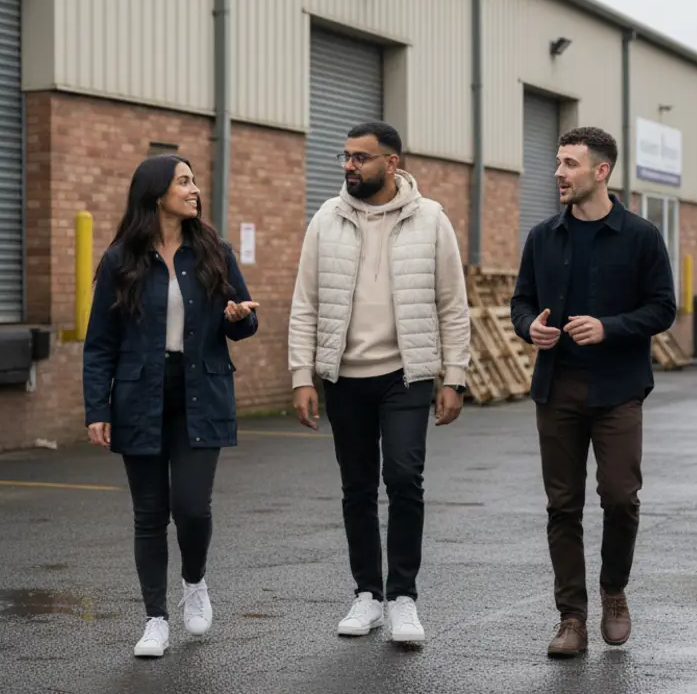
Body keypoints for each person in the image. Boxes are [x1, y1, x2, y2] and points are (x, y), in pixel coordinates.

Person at [288, 120, 471, 644]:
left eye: (361, 158)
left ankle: (404, 598)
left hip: (406, 373)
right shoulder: (326, 218)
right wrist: (303, 375)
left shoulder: (430, 219)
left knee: (404, 477)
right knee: (357, 486)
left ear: (392, 164)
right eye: (346, 156)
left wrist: (453, 376)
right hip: (343, 376)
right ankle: (367, 594)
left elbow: (451, 304)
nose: (349, 165)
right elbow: (306, 304)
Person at [82, 154, 260, 659]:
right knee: (149, 514)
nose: (194, 189)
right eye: (183, 182)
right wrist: (97, 408)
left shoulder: (214, 251)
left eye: (194, 181)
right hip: (140, 395)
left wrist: (237, 316)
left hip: (200, 392)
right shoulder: (122, 259)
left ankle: (195, 582)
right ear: (156, 193)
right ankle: (155, 619)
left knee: (192, 508)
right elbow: (99, 344)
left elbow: (244, 322)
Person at [509, 127, 677, 657]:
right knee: (563, 505)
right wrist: (528, 328)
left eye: (569, 164)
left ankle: (614, 592)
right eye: (558, 162)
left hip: (618, 388)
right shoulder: (543, 236)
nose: (558, 173)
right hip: (557, 387)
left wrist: (610, 327)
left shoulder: (640, 236)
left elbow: (662, 308)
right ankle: (571, 618)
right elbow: (521, 301)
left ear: (600, 171)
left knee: (621, 498)